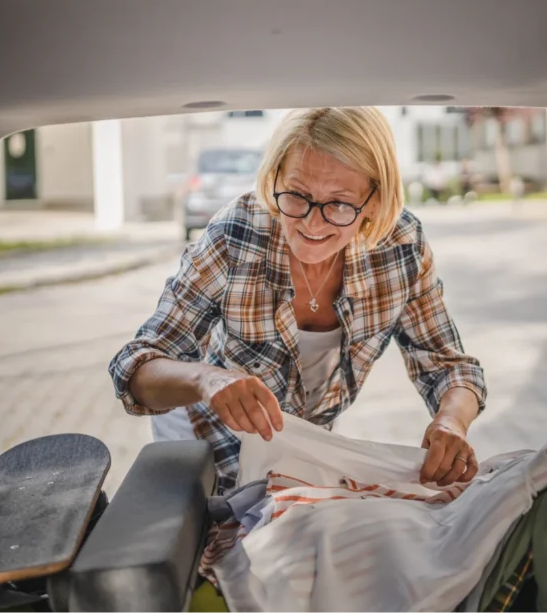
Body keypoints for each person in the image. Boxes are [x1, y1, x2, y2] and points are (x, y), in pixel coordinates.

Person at [109, 107, 487, 494]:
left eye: (339, 203)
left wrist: (450, 423)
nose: (312, 223)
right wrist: (207, 378)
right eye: (297, 195)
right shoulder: (235, 235)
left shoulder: (401, 247)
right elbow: (134, 367)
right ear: (274, 179)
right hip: (199, 438)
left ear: (374, 201)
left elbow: (449, 367)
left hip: (300, 444)